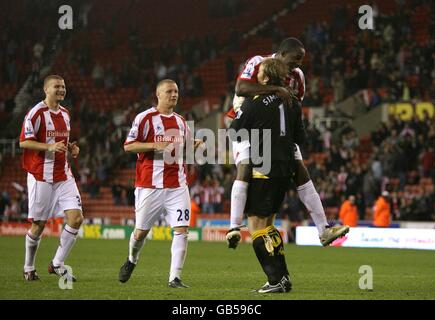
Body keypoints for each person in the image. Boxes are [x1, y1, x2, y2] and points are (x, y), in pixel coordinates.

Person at [226, 37, 349, 249]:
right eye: (295, 59)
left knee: (300, 169)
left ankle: (324, 230)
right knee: (245, 168)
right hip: (247, 125)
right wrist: (275, 90)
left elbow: (293, 109)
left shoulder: (298, 77)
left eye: (301, 60)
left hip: (278, 132)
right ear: (282, 54)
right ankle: (234, 227)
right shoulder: (258, 62)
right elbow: (241, 88)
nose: (298, 64)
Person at [118, 79, 202, 288]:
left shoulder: (182, 121)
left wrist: (194, 145)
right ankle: (131, 259)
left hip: (177, 185)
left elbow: (185, 148)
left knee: (182, 229)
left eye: (176, 91)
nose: (173, 95)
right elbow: (128, 146)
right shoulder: (145, 118)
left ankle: (175, 278)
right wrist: (154, 145)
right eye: (169, 91)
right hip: (150, 186)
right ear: (158, 95)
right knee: (140, 233)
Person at [230, 58, 298, 293]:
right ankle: (283, 277)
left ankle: (275, 280)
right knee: (269, 225)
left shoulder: (254, 102)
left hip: (263, 170)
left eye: (258, 73)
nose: (255, 76)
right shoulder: (293, 102)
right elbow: (301, 137)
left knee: (256, 225)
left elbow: (234, 133)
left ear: (266, 77)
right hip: (285, 171)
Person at [19, 75, 84, 281]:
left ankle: (57, 264)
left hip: (63, 175)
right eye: (57, 86)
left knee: (76, 219)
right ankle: (29, 267)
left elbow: (60, 142)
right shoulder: (36, 113)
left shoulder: (65, 113)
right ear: (46, 89)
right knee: (38, 224)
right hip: (41, 176)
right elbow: (24, 142)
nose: (61, 89)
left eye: (63, 86)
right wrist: (49, 147)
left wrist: (71, 148)